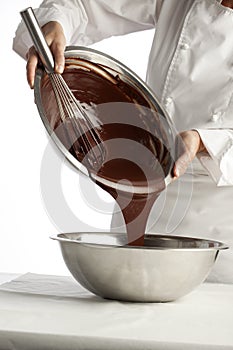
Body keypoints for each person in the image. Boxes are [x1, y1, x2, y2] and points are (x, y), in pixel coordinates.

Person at [13, 0, 233, 283]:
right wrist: (55, 24)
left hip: (220, 235)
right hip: (143, 194)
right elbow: (83, 5)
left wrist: (203, 142)